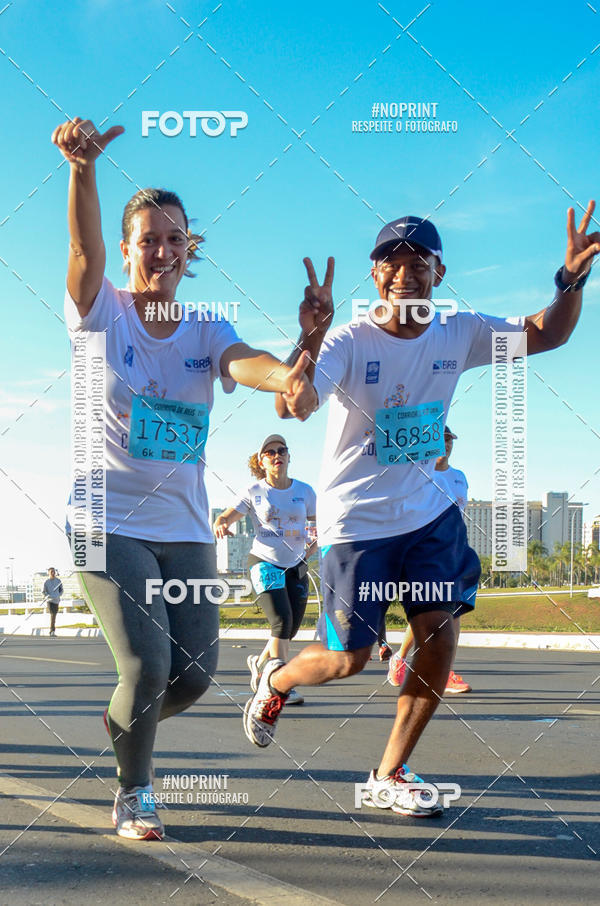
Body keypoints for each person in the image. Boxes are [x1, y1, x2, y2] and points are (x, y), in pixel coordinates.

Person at [243, 208, 600, 818]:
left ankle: (391, 771)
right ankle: (275, 681)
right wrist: (309, 336)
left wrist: (569, 280)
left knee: (439, 635)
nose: (405, 273)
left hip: (428, 515)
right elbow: (292, 406)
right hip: (355, 523)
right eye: (392, 263)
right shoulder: (349, 341)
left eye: (418, 263)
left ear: (438, 271)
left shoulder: (459, 331)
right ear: (376, 275)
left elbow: (548, 334)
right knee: (347, 659)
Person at [52, 116, 323, 841]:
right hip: (101, 521)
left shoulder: (204, 328)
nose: (163, 250)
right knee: (146, 668)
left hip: (183, 527)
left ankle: (122, 720)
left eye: (176, 239)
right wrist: (83, 169)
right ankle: (133, 792)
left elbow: (251, 366)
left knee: (195, 676)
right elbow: (83, 249)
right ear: (131, 247)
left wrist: (299, 356)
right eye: (150, 239)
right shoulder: (101, 311)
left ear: (188, 249)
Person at [213, 434, 317, 704]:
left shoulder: (305, 491)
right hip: (263, 561)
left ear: (289, 456)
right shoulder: (254, 491)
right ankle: (280, 684)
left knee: (289, 629)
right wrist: (222, 522)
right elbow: (228, 514)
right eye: (269, 453)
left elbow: (321, 525)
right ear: (262, 461)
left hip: (297, 564)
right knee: (280, 621)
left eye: (281, 450)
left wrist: (313, 546)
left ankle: (260, 665)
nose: (276, 455)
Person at [387, 426, 473, 693]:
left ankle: (431, 667)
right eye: (440, 440)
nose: (446, 445)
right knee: (432, 614)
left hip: (454, 553)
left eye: (449, 440)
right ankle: (414, 662)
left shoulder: (459, 477)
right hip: (424, 553)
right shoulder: (419, 476)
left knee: (450, 613)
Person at [42, 567, 63, 637]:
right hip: (50, 601)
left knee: (54, 616)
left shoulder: (58, 581)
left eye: (54, 572)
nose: (53, 573)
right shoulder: (46, 582)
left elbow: (61, 590)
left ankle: (52, 630)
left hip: (56, 601)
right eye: (51, 572)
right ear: (48, 573)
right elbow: (43, 591)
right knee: (53, 614)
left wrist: (58, 595)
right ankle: (52, 631)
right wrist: (47, 595)